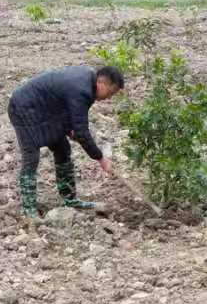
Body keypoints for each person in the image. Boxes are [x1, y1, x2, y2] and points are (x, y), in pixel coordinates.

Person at [7, 64, 125, 217]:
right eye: (111, 92)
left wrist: (70, 130)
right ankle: (29, 210)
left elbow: (71, 113)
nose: (109, 97)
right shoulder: (82, 90)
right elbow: (82, 132)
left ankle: (69, 199)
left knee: (62, 148)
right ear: (101, 83)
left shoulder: (88, 83)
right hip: (23, 107)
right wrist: (100, 158)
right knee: (31, 155)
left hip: (46, 109)